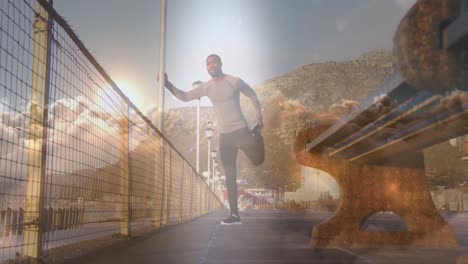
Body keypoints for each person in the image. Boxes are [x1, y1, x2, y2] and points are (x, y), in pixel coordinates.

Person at [161, 54, 264, 225]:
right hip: (226, 137)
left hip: (241, 131)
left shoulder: (234, 81)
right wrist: (167, 84)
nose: (210, 66)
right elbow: (185, 96)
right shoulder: (206, 88)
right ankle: (234, 215)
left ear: (220, 64)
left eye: (213, 62)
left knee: (258, 160)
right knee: (230, 176)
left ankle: (257, 134)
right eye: (207, 64)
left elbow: (252, 95)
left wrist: (259, 115)